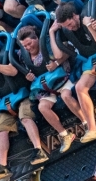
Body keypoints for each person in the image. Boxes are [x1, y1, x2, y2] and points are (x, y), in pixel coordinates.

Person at [0, 43, 50, 176]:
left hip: (23, 93)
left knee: (25, 117)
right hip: (5, 101)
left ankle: (39, 151)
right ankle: (2, 166)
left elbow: (13, 70)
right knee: (0, 130)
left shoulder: (6, 54)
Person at [49, 1, 96, 143]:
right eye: (66, 27)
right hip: (90, 62)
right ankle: (92, 129)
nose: (69, 28)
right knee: (79, 87)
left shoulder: (86, 17)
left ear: (74, 16)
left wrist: (91, 25)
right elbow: (58, 56)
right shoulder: (67, 30)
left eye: (70, 24)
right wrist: (52, 32)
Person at [14, 25, 81, 153]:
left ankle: (86, 122)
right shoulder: (23, 55)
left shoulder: (47, 43)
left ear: (37, 38)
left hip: (61, 78)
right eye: (25, 46)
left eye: (30, 44)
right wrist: (28, 76)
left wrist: (56, 63)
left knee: (66, 96)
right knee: (42, 107)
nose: (28, 48)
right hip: (45, 85)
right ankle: (64, 135)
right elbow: (24, 70)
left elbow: (69, 49)